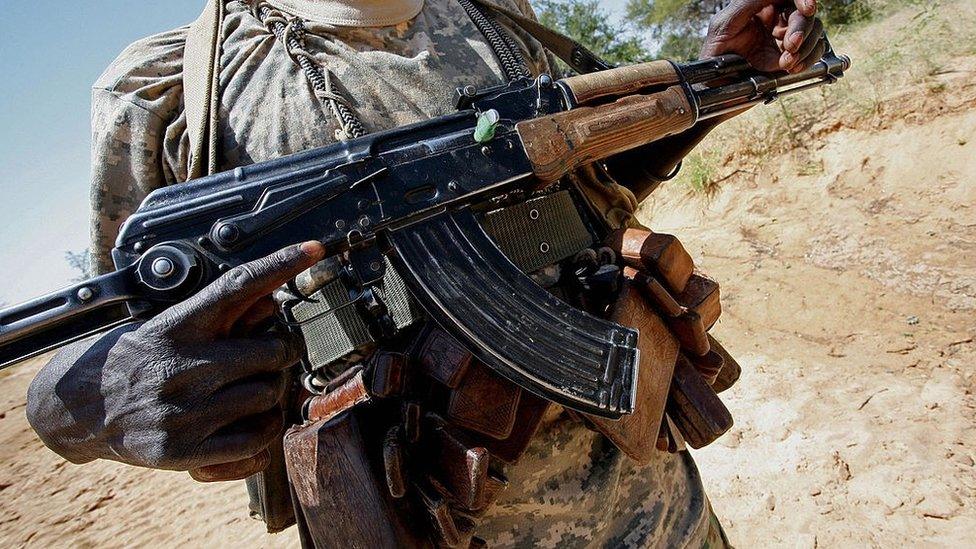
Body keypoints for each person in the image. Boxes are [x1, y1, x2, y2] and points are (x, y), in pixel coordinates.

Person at [25, 0, 825, 546]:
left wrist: (724, 78)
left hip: (656, 508)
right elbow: (118, 335)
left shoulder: (489, 16)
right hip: (421, 514)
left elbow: (580, 198)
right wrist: (75, 410)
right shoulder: (168, 89)